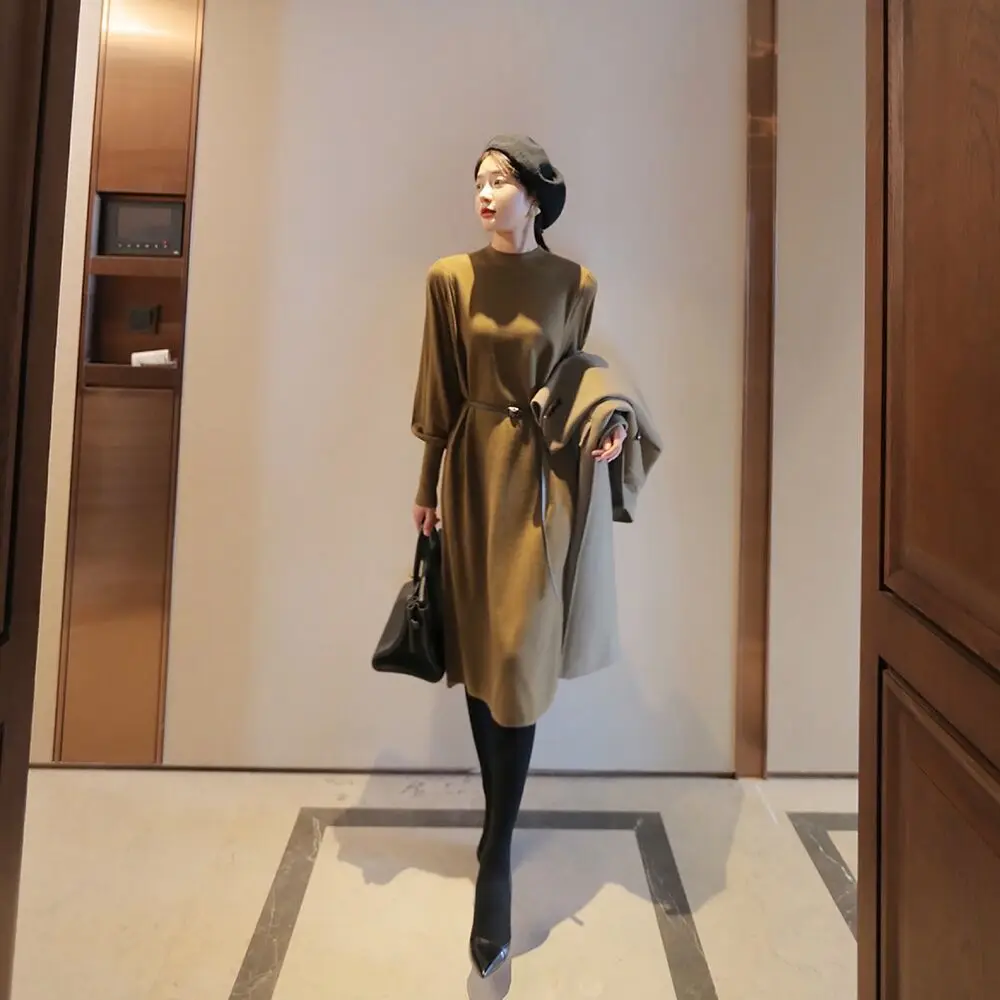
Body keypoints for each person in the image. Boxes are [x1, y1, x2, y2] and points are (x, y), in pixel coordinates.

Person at [409, 135, 630, 979]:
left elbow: (578, 380)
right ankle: (496, 834)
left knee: (519, 655)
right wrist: (426, 489)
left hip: (543, 489)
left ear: (536, 197)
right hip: (471, 477)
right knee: (479, 654)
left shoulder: (576, 284)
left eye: (500, 180)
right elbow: (439, 393)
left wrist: (610, 421)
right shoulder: (448, 279)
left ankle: (496, 848)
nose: (485, 192)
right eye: (478, 180)